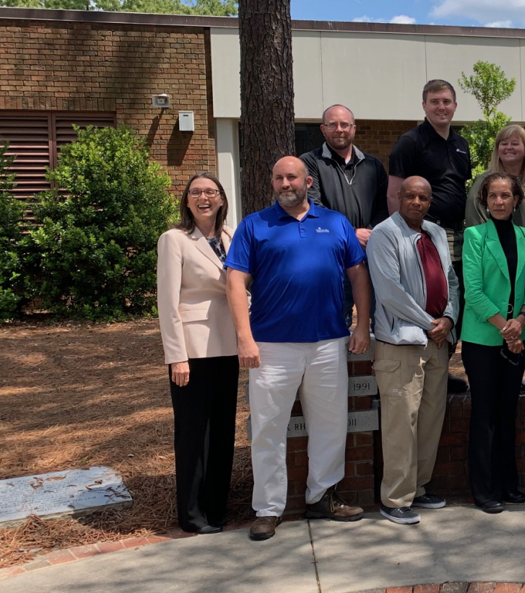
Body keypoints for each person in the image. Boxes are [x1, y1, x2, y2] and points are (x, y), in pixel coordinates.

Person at [225, 157, 371, 542]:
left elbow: (358, 276)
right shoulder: (254, 225)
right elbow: (235, 282)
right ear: (271, 182)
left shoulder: (336, 222)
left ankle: (321, 497)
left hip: (328, 342)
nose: (285, 183)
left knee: (330, 424)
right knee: (269, 429)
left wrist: (361, 325)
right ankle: (268, 509)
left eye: (292, 177)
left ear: (307, 181)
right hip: (272, 346)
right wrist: (244, 337)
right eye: (278, 177)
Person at [368, 177, 460, 525]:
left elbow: (450, 279)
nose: (417, 202)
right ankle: (395, 498)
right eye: (410, 196)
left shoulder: (435, 233)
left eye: (423, 197)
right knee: (400, 421)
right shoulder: (384, 234)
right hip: (402, 343)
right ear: (399, 197)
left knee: (430, 419)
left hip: (436, 342)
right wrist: (429, 322)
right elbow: (389, 291)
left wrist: (449, 318)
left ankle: (419, 488)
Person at [157, 172, 238, 535]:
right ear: (187, 201)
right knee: (193, 434)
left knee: (222, 431)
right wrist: (176, 355)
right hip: (192, 351)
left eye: (211, 192)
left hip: (228, 346)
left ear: (221, 199)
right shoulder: (174, 240)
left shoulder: (231, 236)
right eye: (196, 193)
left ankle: (216, 508)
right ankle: (192, 514)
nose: (204, 197)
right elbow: (167, 301)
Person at [460, 173, 525, 514]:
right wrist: (505, 328)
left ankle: (508, 483)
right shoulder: (474, 235)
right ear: (484, 200)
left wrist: (521, 320)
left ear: (515, 199)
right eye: (493, 195)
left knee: (508, 411)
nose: (499, 201)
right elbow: (473, 291)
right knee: (485, 414)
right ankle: (484, 489)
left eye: (505, 195)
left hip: (516, 336)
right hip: (482, 339)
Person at [387, 79, 473, 393]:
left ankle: (442, 365)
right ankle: (425, 366)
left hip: (457, 234)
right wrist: (405, 236)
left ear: (454, 105)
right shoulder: (411, 142)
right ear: (424, 105)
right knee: (430, 296)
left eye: (446, 101)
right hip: (424, 233)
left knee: (455, 298)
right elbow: (395, 192)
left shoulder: (461, 144)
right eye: (434, 101)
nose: (441, 107)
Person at [300, 103, 389, 326]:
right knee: (336, 322)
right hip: (331, 256)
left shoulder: (373, 165)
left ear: (354, 128)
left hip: (370, 253)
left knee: (381, 321)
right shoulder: (310, 163)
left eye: (344, 124)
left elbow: (383, 207)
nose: (339, 129)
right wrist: (351, 234)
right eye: (333, 125)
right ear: (323, 129)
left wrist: (373, 234)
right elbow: (314, 206)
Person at [465, 123, 525, 279]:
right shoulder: (484, 181)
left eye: (515, 143)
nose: (509, 147)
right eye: (504, 143)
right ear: (497, 150)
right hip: (495, 265)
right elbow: (474, 221)